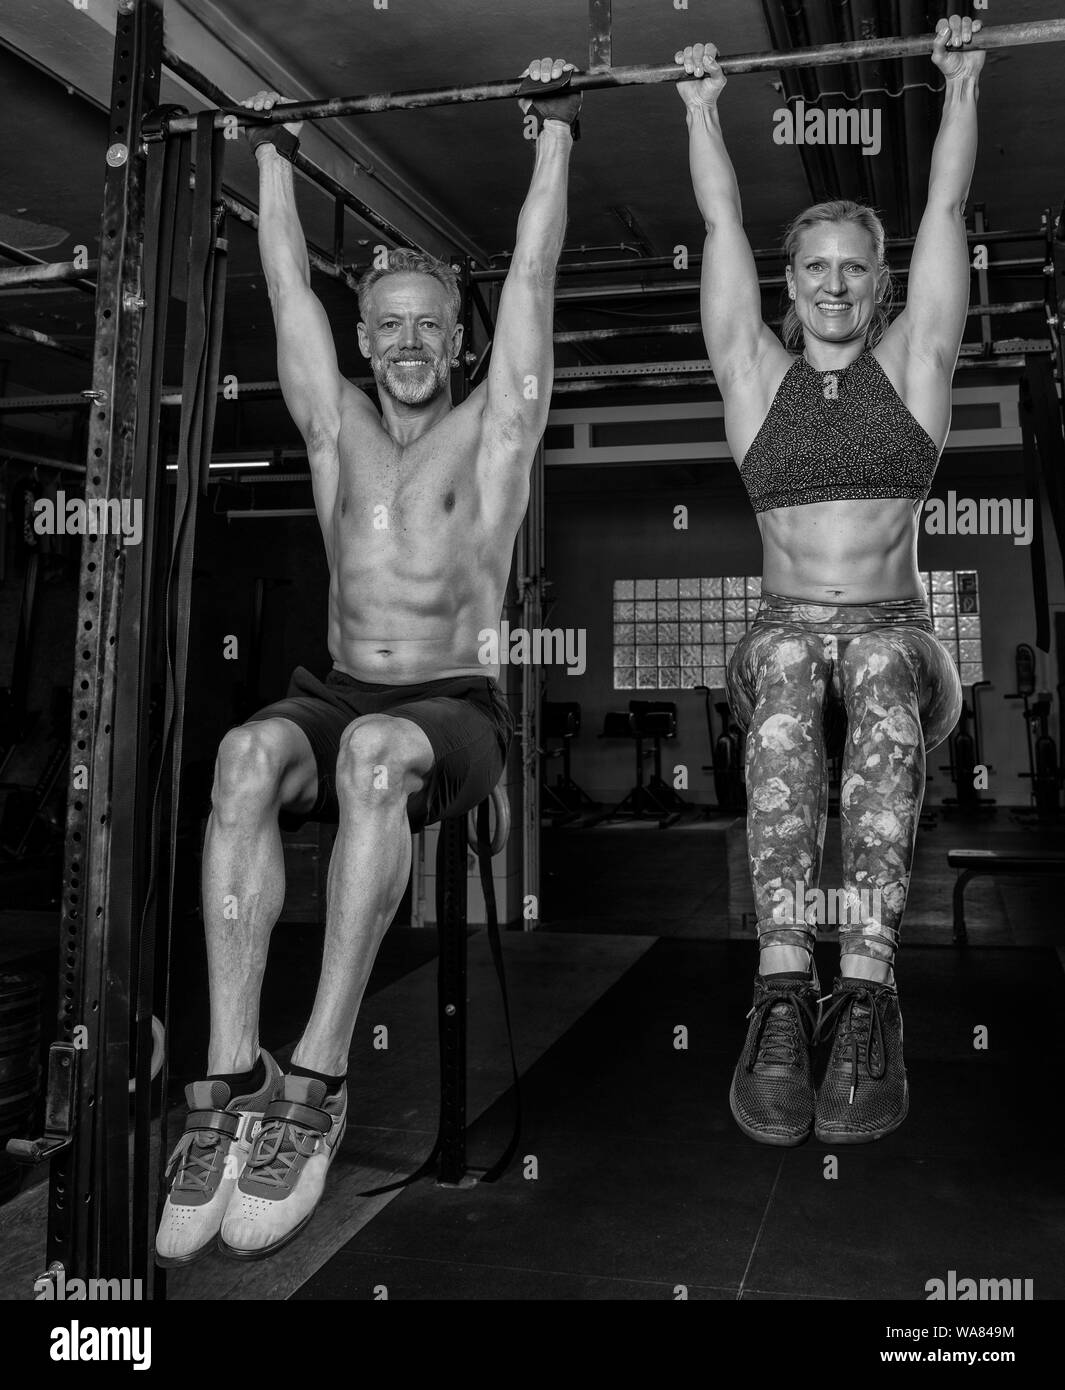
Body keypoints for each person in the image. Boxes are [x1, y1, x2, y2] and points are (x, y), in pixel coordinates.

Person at [156, 57, 582, 1265]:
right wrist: (277, 157)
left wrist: (552, 132)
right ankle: (226, 1088)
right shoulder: (334, 426)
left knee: (379, 758)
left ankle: (318, 1083)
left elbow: (537, 268)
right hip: (334, 688)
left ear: (460, 337)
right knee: (243, 758)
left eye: (427, 326)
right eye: (385, 323)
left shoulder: (494, 429)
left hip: (448, 706)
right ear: (366, 334)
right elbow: (284, 278)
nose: (405, 342)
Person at [677, 15, 981, 1145]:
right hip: (781, 633)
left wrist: (958, 87)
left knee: (885, 681)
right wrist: (700, 105)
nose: (836, 285)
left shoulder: (917, 366)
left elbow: (946, 210)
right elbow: (718, 216)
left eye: (857, 267)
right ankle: (780, 989)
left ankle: (868, 991)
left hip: (901, 630)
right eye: (815, 268)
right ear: (791, 284)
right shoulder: (756, 377)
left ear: (880, 280)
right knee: (801, 668)